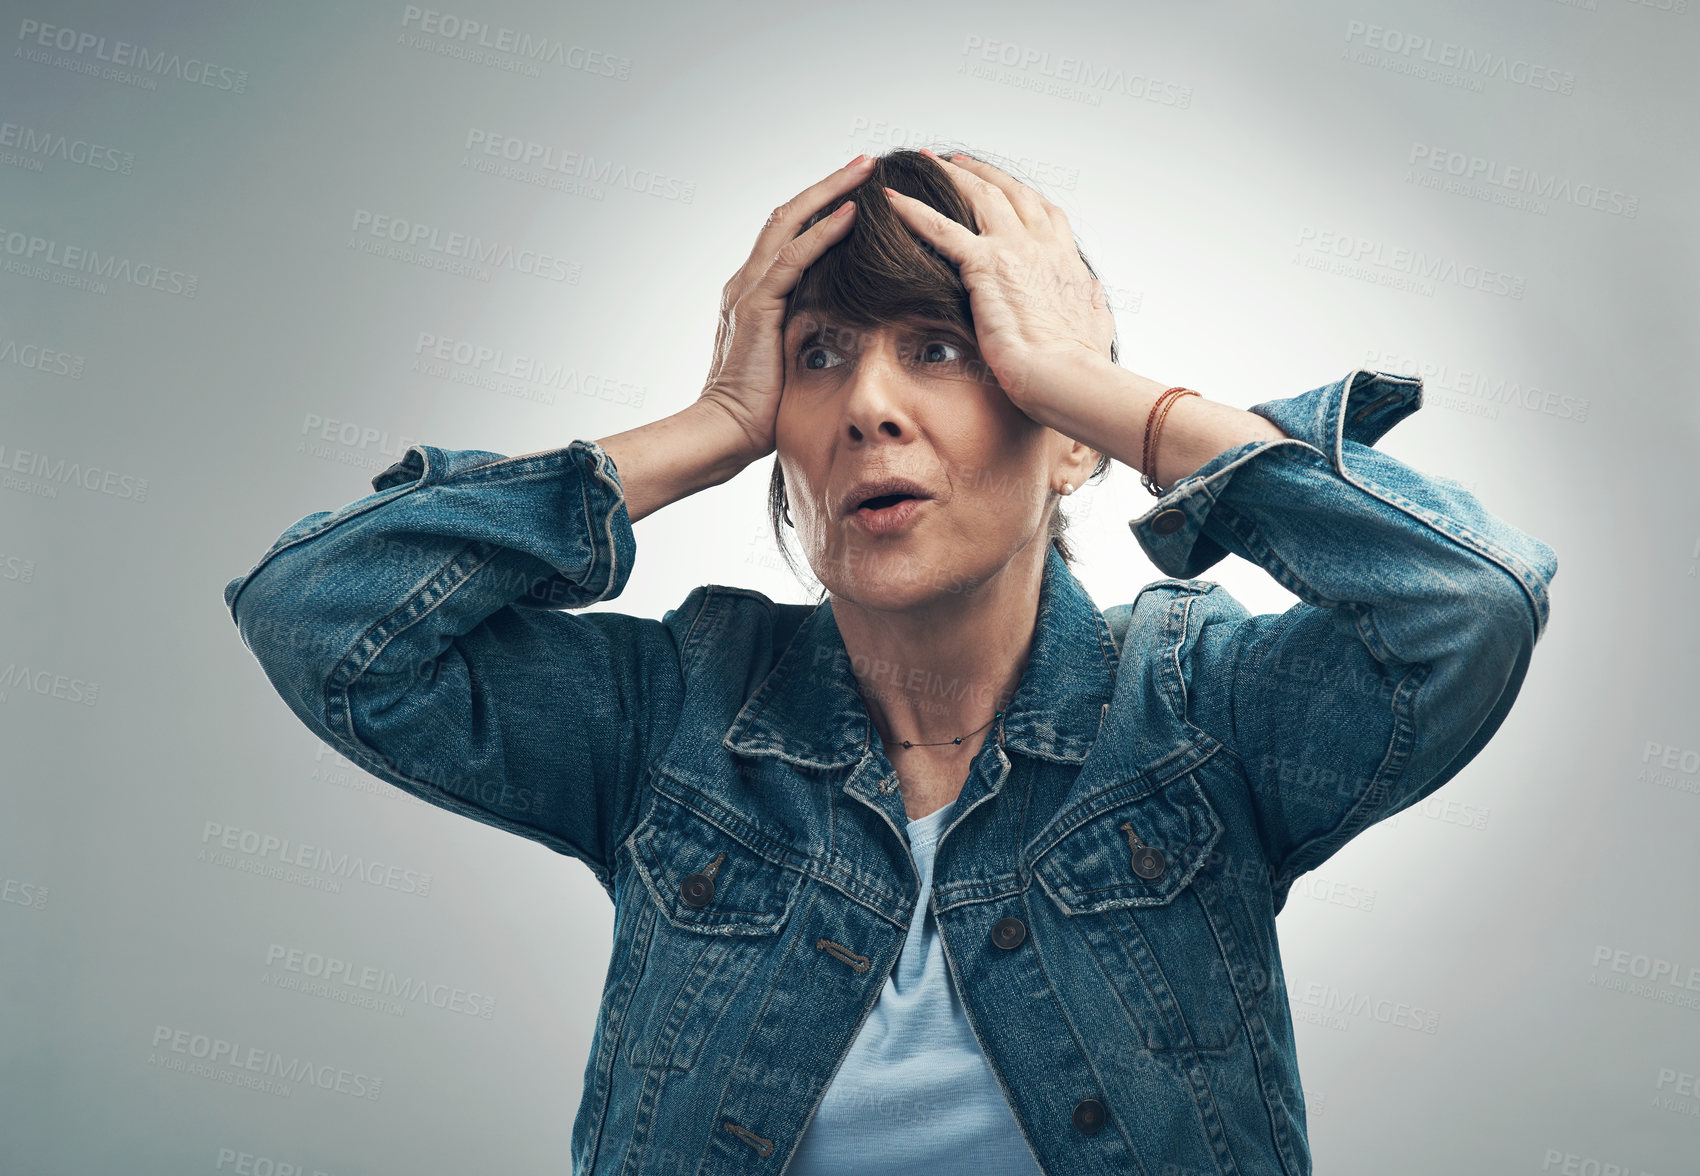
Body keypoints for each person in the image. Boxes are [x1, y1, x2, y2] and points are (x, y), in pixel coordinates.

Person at [223, 147, 1558, 1175]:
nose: (868, 404)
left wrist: (1102, 390)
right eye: (819, 359)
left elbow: (1468, 604)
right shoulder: (672, 718)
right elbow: (320, 612)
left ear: (1062, 431)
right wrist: (714, 419)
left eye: (943, 348)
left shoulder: (1199, 713)